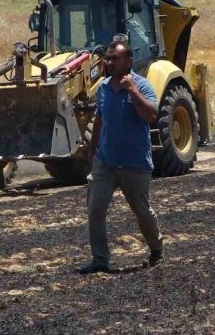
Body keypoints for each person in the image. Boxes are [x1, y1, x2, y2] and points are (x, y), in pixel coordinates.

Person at [78, 40, 163, 274]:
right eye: (108, 58)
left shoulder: (143, 86)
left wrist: (132, 91)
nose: (109, 63)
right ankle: (100, 260)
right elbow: (100, 119)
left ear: (128, 61)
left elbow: (151, 115)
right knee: (95, 209)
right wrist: (92, 149)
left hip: (134, 163)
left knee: (142, 211)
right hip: (105, 161)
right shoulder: (104, 87)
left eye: (115, 59)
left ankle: (156, 249)